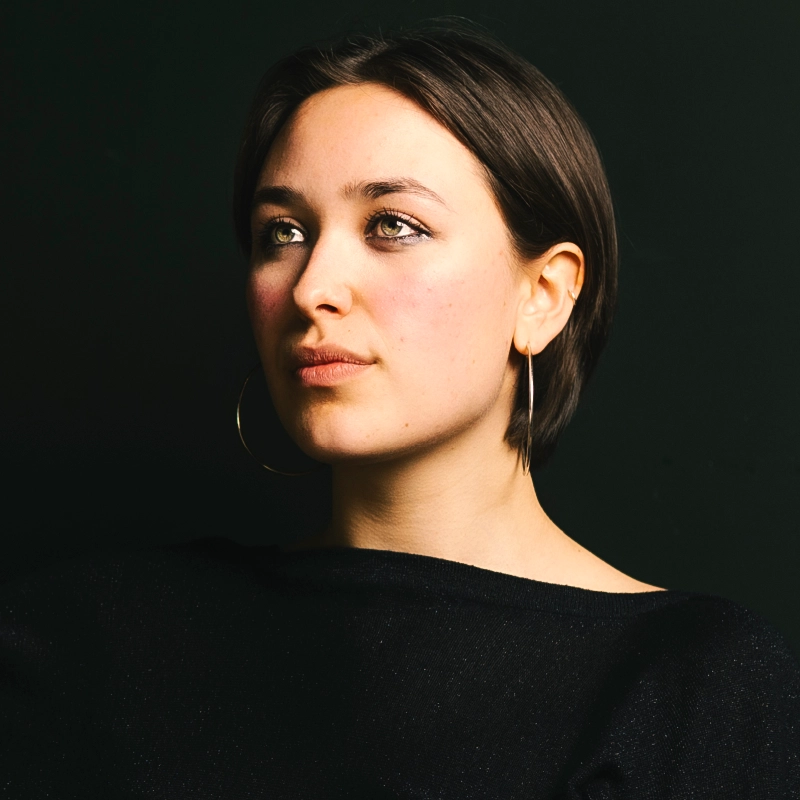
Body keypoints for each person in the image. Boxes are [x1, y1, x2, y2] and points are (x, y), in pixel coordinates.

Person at [2, 21, 798, 797]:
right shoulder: (87, 643)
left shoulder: (693, 688)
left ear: (544, 295)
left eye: (393, 225)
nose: (313, 287)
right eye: (281, 232)